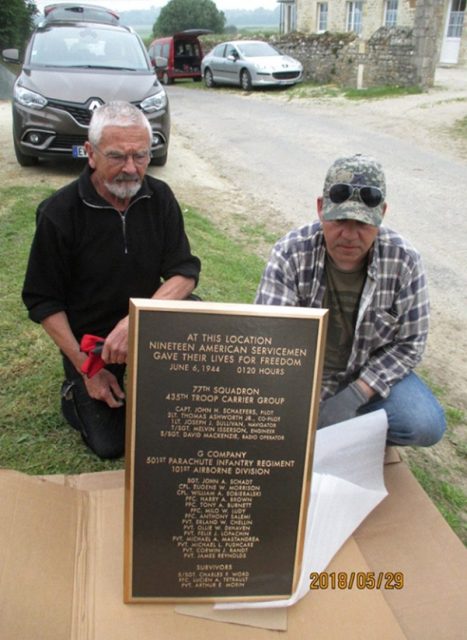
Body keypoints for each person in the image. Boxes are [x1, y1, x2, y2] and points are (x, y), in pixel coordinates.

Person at [22, 101, 201, 459]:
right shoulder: (59, 213)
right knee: (112, 445)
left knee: (190, 417)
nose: (131, 169)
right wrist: (86, 366)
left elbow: (184, 271)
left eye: (141, 156)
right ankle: (74, 390)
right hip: (93, 344)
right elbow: (43, 301)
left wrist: (137, 320)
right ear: (90, 153)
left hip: (147, 326)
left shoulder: (159, 197)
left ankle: (153, 374)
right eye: (117, 156)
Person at [255, 154, 445, 446]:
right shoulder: (290, 252)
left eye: (363, 224)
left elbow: (411, 343)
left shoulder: (405, 260)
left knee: (423, 424)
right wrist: (302, 398)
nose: (349, 235)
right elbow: (270, 337)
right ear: (321, 209)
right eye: (340, 220)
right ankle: (341, 433)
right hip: (304, 377)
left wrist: (357, 394)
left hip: (367, 376)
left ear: (381, 214)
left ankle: (346, 435)